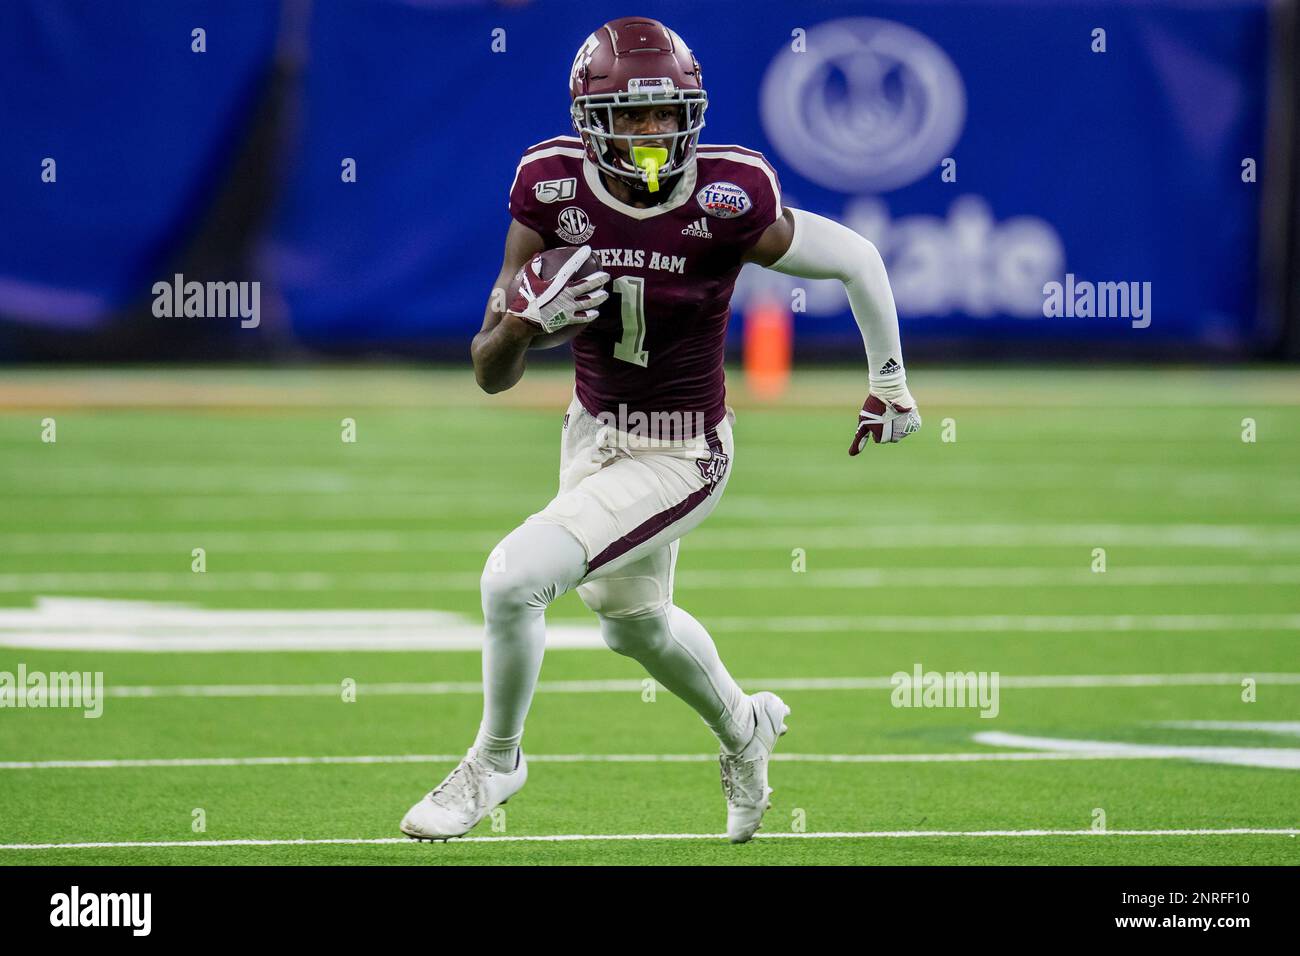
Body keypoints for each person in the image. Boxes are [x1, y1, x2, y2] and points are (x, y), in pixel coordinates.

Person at [401, 15, 920, 845]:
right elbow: (488, 372)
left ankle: (496, 761)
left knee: (512, 579)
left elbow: (857, 256)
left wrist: (888, 381)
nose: (653, 131)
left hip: (684, 449)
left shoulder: (727, 196)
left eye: (668, 112)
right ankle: (745, 729)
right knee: (630, 622)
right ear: (591, 121)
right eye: (633, 116)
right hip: (591, 432)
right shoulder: (551, 186)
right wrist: (522, 329)